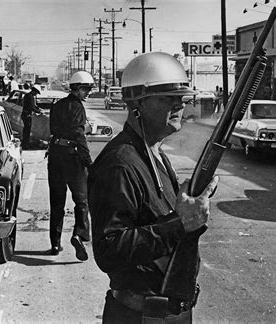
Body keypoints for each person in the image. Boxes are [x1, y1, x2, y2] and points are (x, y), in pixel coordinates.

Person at [88, 52, 219, 323]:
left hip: (169, 313)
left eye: (181, 98)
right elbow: (108, 251)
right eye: (167, 99)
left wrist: (186, 213)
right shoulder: (119, 164)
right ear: (136, 104)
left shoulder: (153, 153)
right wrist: (179, 224)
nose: (179, 105)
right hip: (140, 315)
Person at [47, 71, 94, 260]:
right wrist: (88, 162)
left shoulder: (57, 106)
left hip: (55, 155)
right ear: (77, 89)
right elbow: (79, 136)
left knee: (56, 201)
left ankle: (55, 244)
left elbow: (52, 130)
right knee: (82, 200)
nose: (88, 93)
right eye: (86, 90)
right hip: (72, 157)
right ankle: (79, 234)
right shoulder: (78, 108)